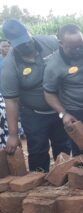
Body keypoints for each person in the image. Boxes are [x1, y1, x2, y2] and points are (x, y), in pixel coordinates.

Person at [1, 19, 70, 172]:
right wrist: (13, 134)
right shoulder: (10, 65)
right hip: (34, 115)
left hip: (61, 110)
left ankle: (65, 180)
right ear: (11, 43)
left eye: (26, 41)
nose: (25, 46)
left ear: (29, 33)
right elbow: (11, 100)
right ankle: (40, 185)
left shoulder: (50, 43)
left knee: (63, 147)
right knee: (38, 151)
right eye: (19, 44)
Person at [43, 24, 83, 165]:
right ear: (61, 44)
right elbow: (49, 94)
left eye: (80, 45)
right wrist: (64, 114)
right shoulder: (53, 65)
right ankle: (81, 179)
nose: (78, 50)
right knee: (81, 150)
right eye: (72, 48)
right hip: (76, 113)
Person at [0, 39, 10, 148]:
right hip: (2, 95)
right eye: (4, 46)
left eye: (8, 46)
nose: (6, 48)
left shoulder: (15, 59)